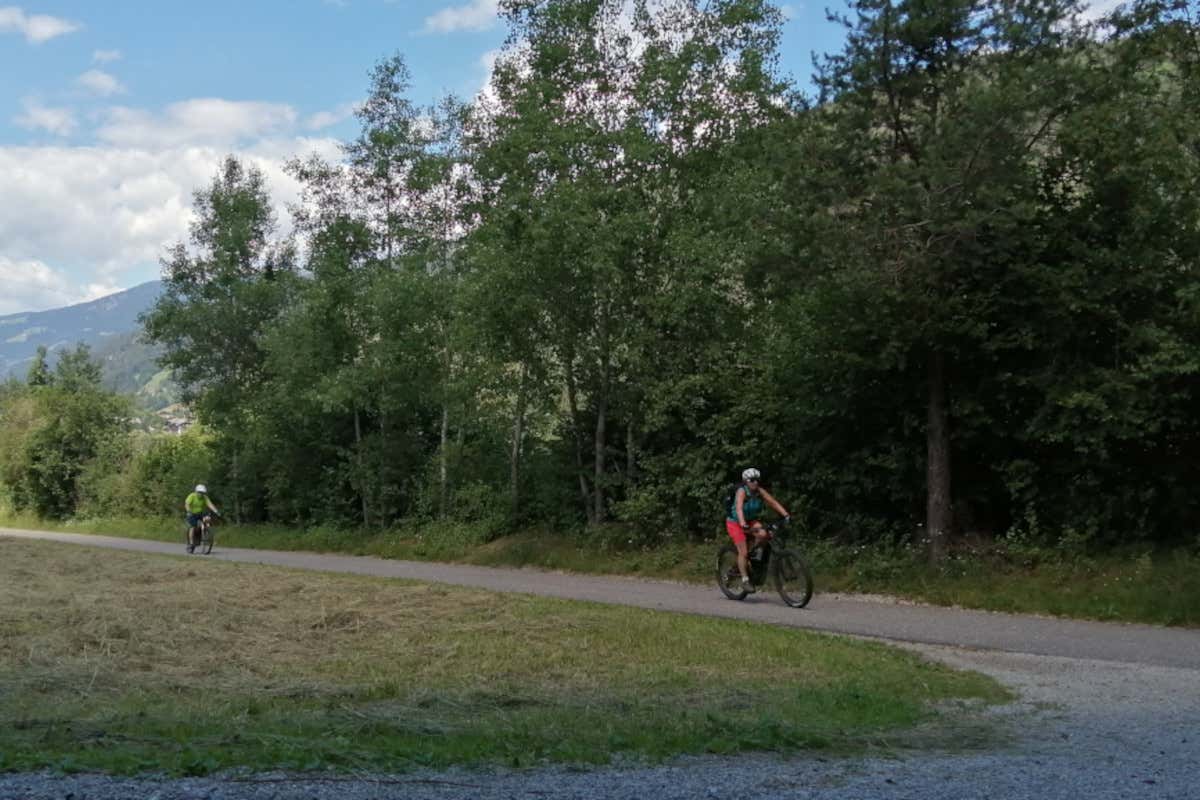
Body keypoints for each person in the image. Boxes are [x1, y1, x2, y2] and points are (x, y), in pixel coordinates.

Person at [725, 468, 790, 593]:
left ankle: (753, 555)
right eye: (752, 480)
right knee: (743, 552)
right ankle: (745, 580)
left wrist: (786, 515)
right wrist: (742, 523)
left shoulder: (759, 491)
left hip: (750, 521)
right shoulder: (741, 491)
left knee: (764, 534)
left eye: (757, 480)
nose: (755, 483)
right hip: (735, 523)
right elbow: (738, 508)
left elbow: (772, 502)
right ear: (746, 481)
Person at [184, 484, 220, 553]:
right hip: (192, 514)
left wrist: (216, 511)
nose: (201, 494)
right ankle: (191, 543)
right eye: (199, 492)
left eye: (202, 493)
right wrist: (188, 511)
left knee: (208, 519)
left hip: (200, 513)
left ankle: (207, 533)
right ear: (196, 491)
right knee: (193, 527)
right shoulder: (192, 496)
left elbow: (210, 504)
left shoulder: (205, 497)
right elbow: (187, 504)